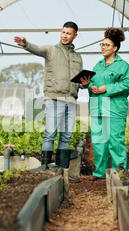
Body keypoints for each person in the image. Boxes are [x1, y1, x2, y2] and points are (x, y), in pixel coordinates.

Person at [14, 21, 84, 170]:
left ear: (75, 35)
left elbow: (80, 80)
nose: (65, 36)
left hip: (71, 99)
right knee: (50, 133)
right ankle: (45, 167)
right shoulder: (51, 50)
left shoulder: (78, 57)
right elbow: (37, 49)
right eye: (63, 32)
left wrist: (84, 83)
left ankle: (62, 169)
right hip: (54, 97)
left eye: (68, 33)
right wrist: (26, 44)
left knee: (66, 136)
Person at [80, 28, 129, 180]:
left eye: (106, 45)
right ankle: (99, 172)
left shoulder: (123, 66)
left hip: (115, 108)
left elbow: (126, 85)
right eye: (102, 45)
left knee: (116, 140)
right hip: (97, 108)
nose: (103, 47)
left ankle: (119, 171)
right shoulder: (97, 66)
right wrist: (90, 85)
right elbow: (92, 85)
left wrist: (106, 88)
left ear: (115, 48)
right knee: (98, 141)